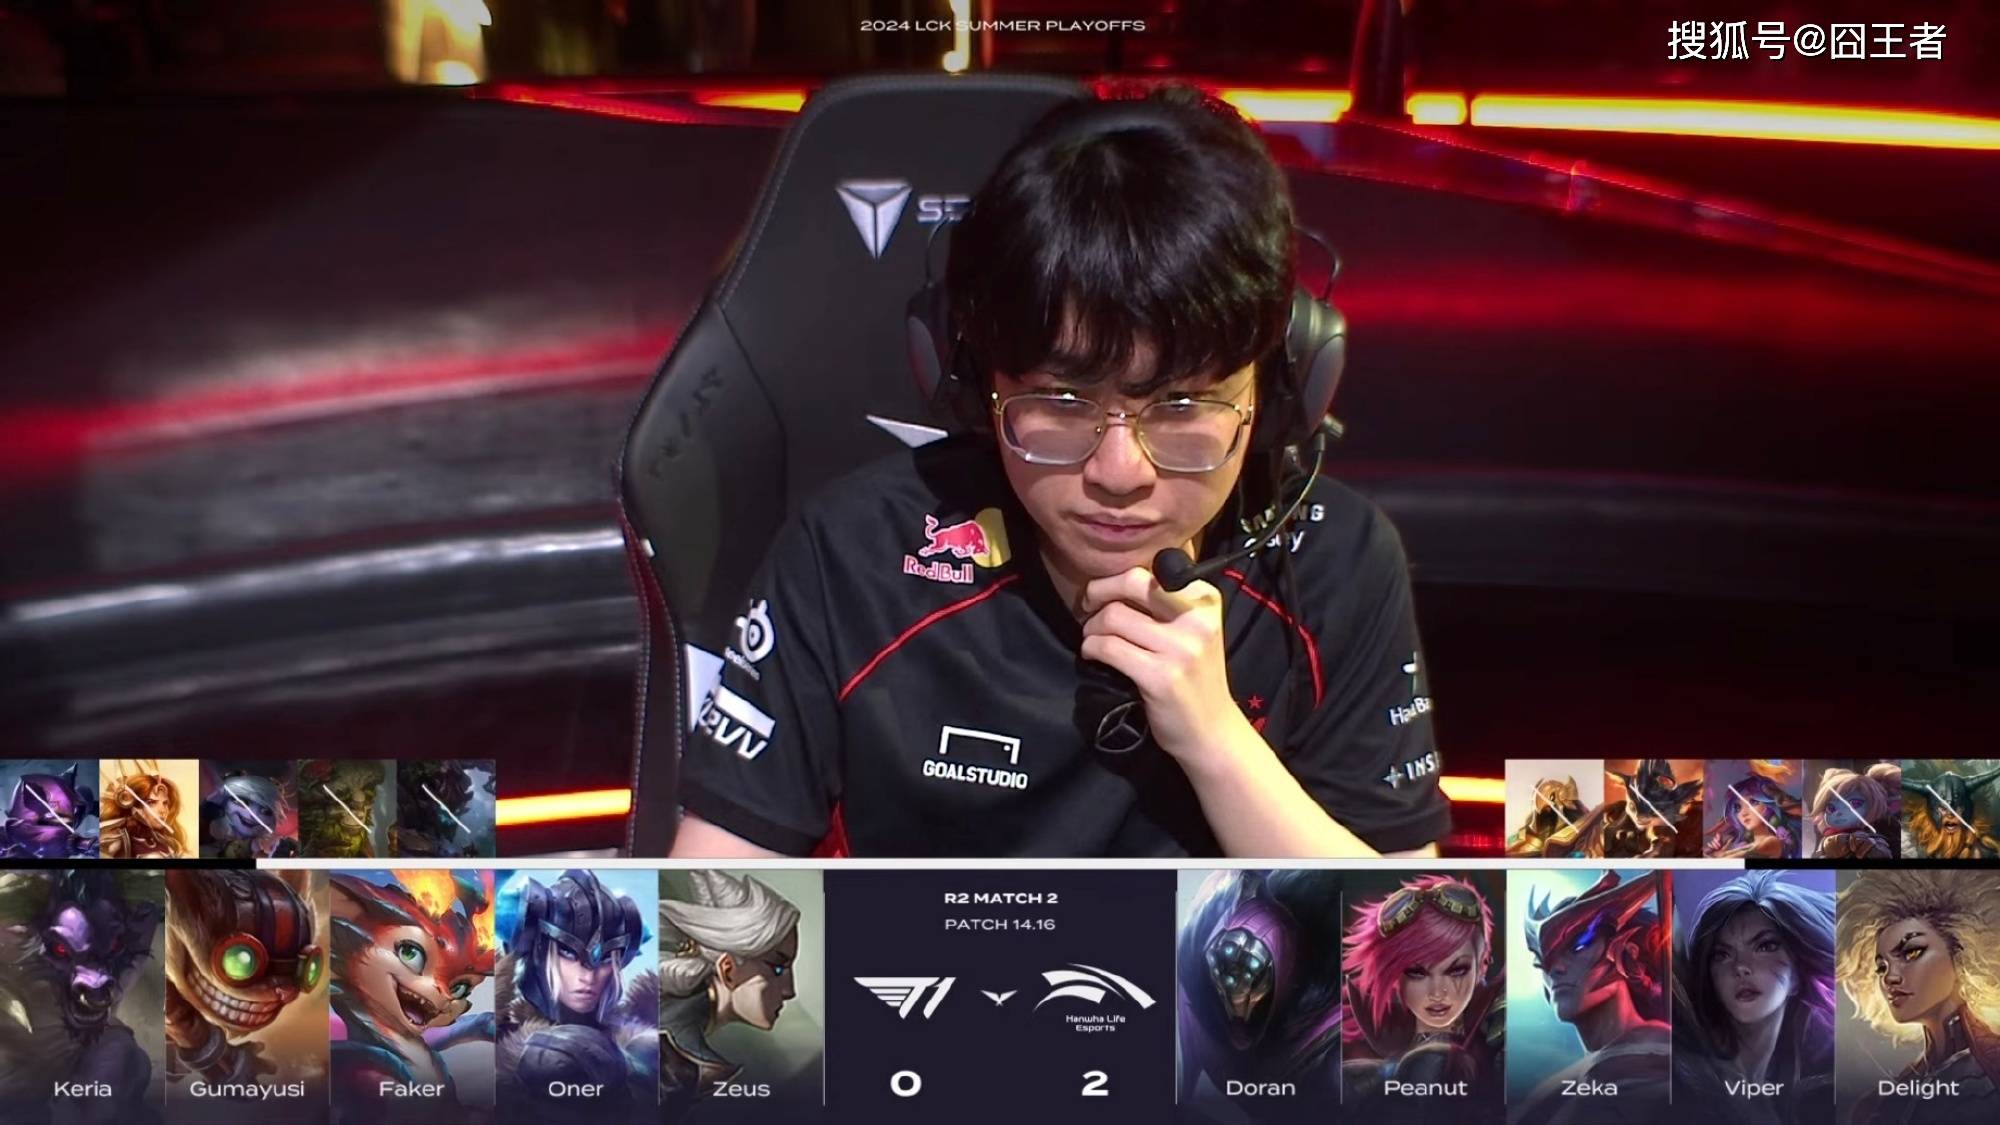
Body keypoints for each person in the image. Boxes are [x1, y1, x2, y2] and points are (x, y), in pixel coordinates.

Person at [672, 83, 1446, 859]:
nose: (1119, 472)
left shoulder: (1334, 564)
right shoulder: (850, 558)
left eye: (1181, 406)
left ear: (1278, 392)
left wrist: (1216, 738)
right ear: (974, 381)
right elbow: (704, 912)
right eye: (1062, 402)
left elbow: (1407, 927)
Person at [1835, 870, 2000, 1125]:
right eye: (1881, 967)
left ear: (1962, 951)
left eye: (1911, 952)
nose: (1889, 977)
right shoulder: (1883, 1101)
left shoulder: (1990, 1068)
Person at [1671, 871, 1834, 1125]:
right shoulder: (1680, 1075)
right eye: (1722, 954)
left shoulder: (1817, 1083)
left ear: (1797, 974)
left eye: (1765, 946)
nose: (1741, 967)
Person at [1512, 871, 1673, 1125]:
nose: (1555, 969)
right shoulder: (1559, 1086)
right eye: (1544, 961)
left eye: (1577, 947)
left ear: (1627, 953)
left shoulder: (1660, 1055)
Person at [1341, 876, 1502, 1122]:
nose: (1437, 992)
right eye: (1417, 973)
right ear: (1395, 975)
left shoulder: (1501, 1036)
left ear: (1482, 965)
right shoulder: (1364, 1050)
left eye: (1456, 970)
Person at [657, 871, 802, 1122]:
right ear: (728, 969)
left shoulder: (669, 1036)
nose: (789, 991)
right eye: (778, 969)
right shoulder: (681, 1067)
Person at [1809, 764, 1897, 860]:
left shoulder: (1869, 840)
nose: (1839, 813)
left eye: (1855, 804)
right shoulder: (1830, 837)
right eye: (1831, 808)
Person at [1705, 774, 1802, 860]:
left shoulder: (1771, 842)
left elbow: (1731, 857)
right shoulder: (1748, 845)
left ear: (1768, 805)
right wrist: (1714, 852)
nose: (1743, 813)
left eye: (1753, 802)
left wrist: (1717, 855)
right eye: (1738, 808)